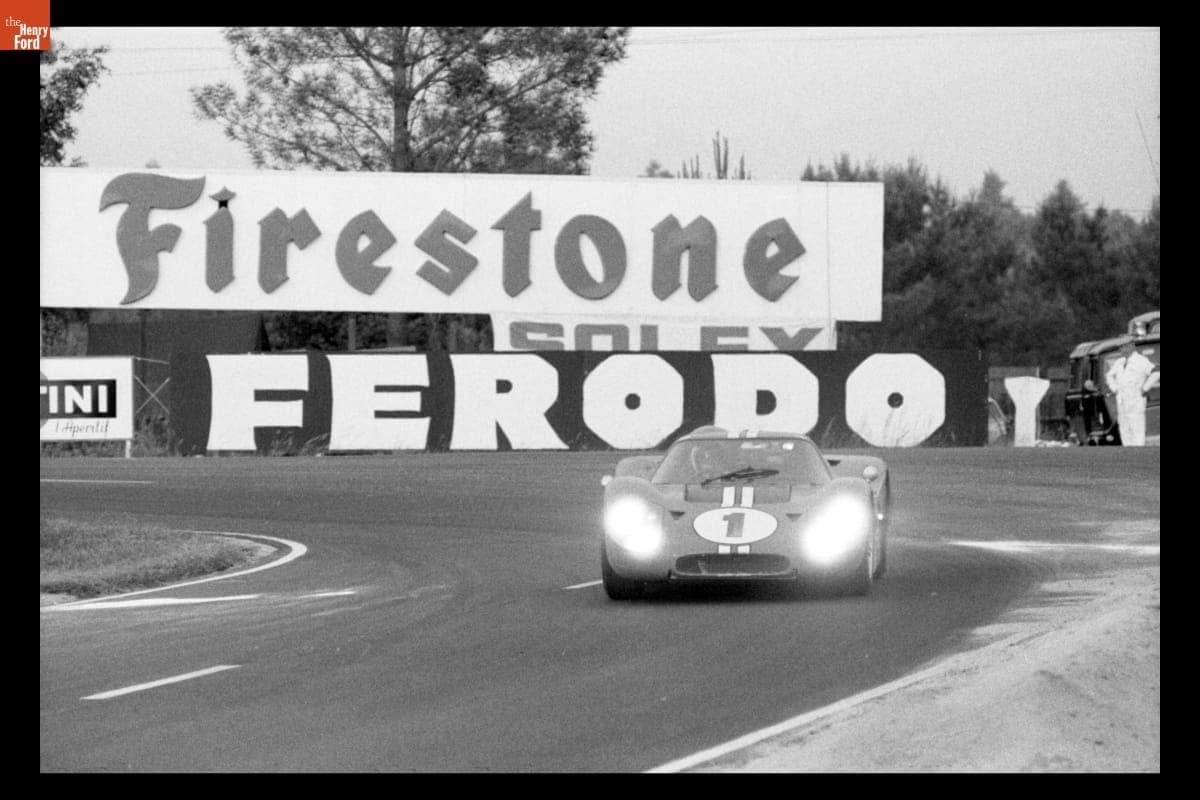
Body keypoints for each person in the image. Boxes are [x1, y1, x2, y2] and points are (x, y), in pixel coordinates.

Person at [1104, 341, 1159, 446]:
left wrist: (1145, 387)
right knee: (1124, 428)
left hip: (1135, 398)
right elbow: (1109, 375)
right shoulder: (1119, 362)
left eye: (1124, 346)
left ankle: (1138, 454)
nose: (1121, 349)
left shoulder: (1141, 361)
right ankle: (1129, 454)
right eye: (1120, 347)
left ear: (1131, 346)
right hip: (1121, 399)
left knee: (1136, 427)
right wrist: (1114, 388)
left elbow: (1156, 372)